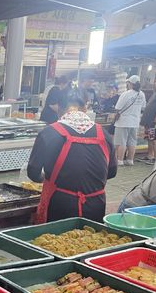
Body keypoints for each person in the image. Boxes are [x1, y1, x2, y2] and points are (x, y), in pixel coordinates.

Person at [27, 90, 116, 223]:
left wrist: (44, 178)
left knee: (55, 242)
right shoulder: (104, 134)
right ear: (84, 109)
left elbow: (33, 172)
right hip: (96, 205)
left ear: (59, 110)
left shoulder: (49, 132)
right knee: (91, 241)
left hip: (60, 206)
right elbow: (112, 172)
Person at [113, 75, 146, 167]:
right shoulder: (141, 94)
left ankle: (119, 160)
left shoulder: (126, 94)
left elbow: (118, 107)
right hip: (135, 121)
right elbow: (143, 107)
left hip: (123, 121)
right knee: (132, 141)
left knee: (121, 141)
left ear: (130, 83)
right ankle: (130, 160)